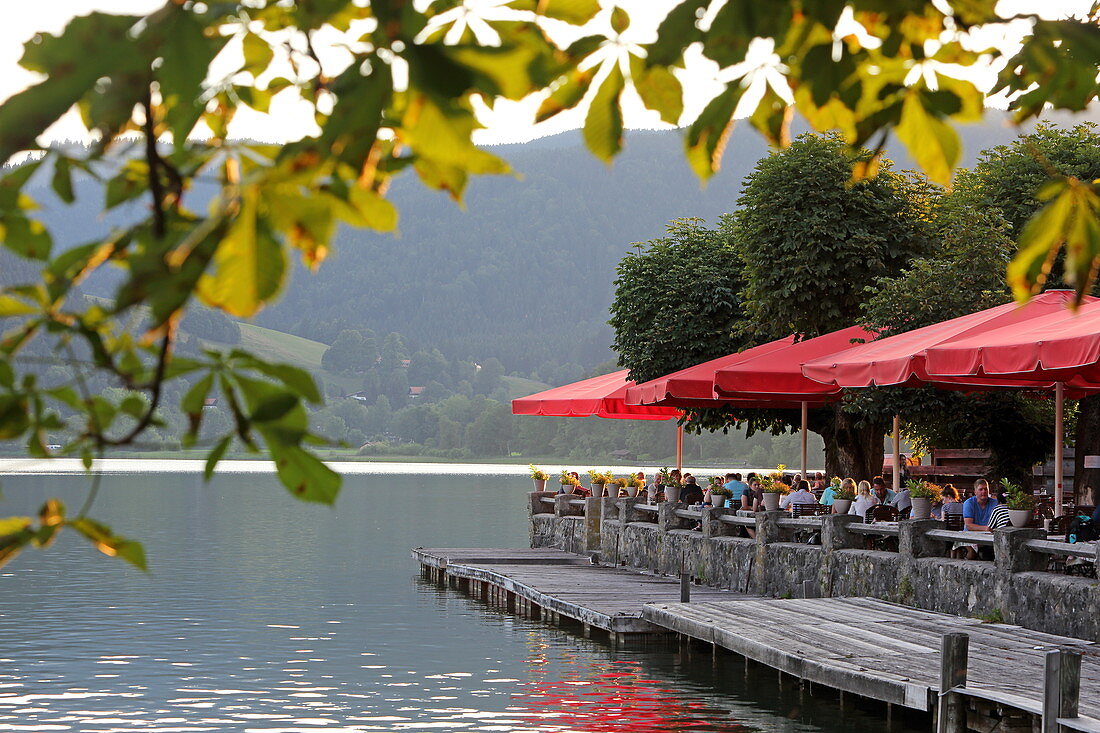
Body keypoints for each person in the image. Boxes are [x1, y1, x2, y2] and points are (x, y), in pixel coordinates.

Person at [962, 478, 998, 560]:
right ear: (975, 492)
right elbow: (969, 526)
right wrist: (986, 528)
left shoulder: (995, 503)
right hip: (970, 535)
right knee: (972, 553)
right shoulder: (969, 503)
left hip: (989, 537)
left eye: (986, 489)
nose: (984, 492)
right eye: (981, 489)